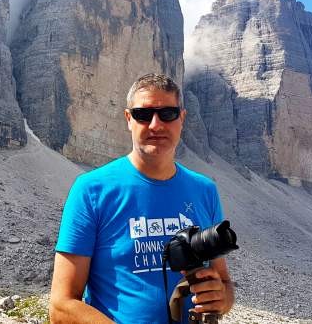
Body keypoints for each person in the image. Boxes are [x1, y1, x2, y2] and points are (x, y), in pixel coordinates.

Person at [49, 73, 234, 323]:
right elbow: (61, 306)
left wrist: (222, 299)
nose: (156, 125)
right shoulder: (91, 190)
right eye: (143, 115)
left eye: (167, 114)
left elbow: (224, 284)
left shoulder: (205, 191)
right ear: (128, 119)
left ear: (182, 118)